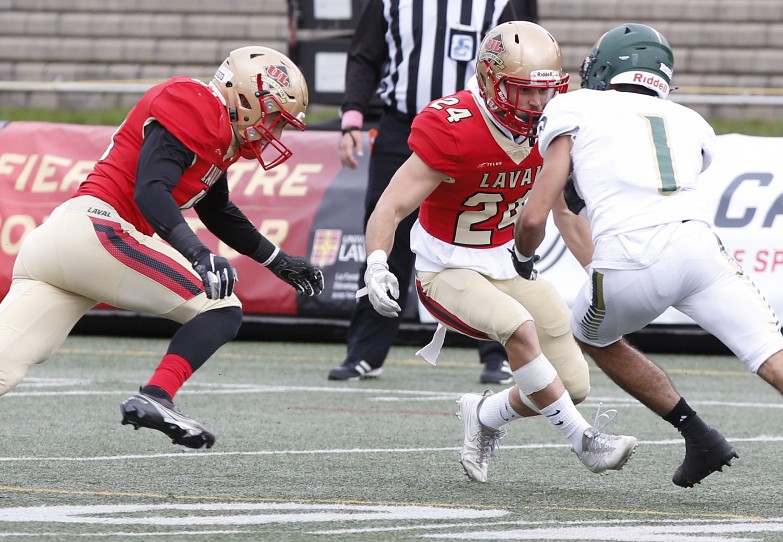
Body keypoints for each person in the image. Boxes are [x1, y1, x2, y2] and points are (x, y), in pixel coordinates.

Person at [513, 23, 783, 513]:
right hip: (700, 249)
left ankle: (698, 434)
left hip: (630, 257)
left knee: (591, 338)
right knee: (780, 360)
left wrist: (522, 258)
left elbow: (538, 214)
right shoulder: (691, 123)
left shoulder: (573, 106)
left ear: (605, 70)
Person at [0, 46, 325, 450]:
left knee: (3, 369)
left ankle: (156, 397)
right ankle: (156, 395)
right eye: (275, 117)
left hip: (63, 242)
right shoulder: (195, 104)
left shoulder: (218, 131)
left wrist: (278, 261)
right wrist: (198, 253)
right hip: (98, 228)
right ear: (245, 98)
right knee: (221, 308)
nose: (275, 132)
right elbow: (151, 190)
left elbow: (217, 209)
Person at [358, 21, 639, 482]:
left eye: (545, 91)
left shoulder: (555, 128)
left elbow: (566, 215)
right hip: (445, 267)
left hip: (506, 266)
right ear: (490, 81)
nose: (537, 103)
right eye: (523, 90)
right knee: (519, 326)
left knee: (573, 383)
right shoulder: (454, 126)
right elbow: (391, 205)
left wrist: (603, 272)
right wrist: (375, 263)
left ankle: (486, 415)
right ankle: (584, 441)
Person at [329, 0, 516, 384]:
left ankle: (500, 353)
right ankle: (365, 352)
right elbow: (365, 54)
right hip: (405, 125)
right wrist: (351, 118)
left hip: (478, 132)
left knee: (488, 235)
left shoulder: (495, 4)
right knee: (385, 227)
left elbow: (520, 58)